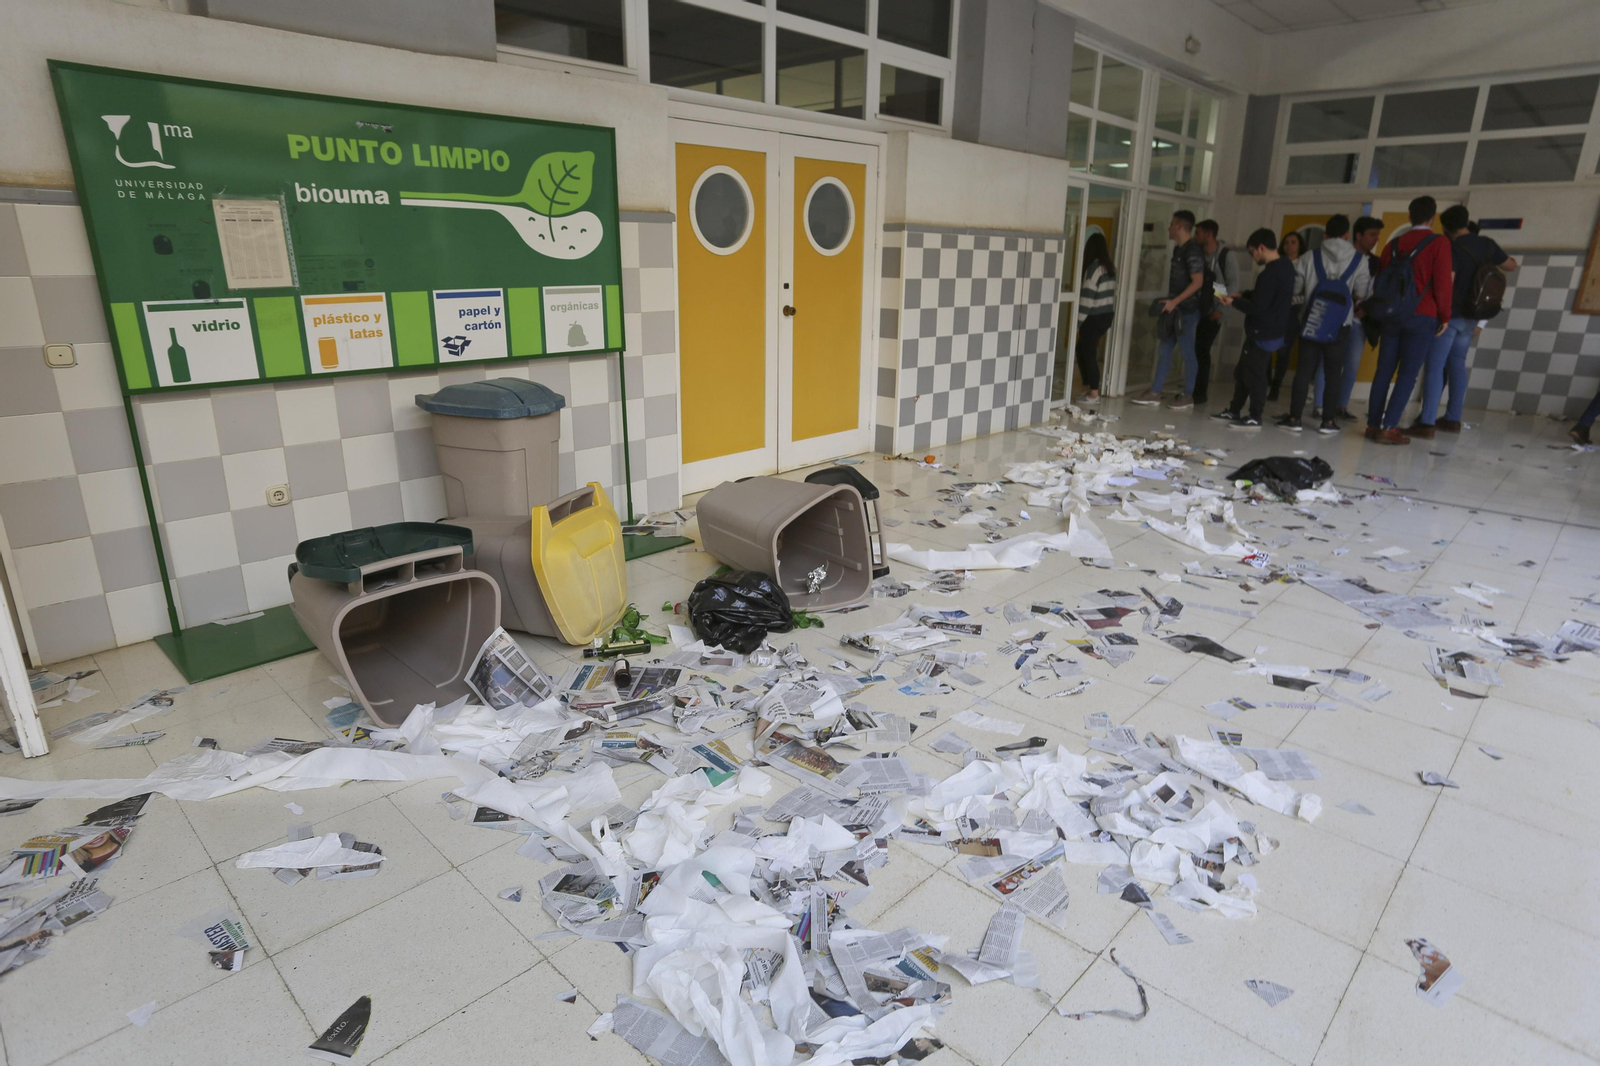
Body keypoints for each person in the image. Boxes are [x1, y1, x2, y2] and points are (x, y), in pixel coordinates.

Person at [1407, 204, 1517, 436]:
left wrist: (1439, 313)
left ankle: (1426, 423)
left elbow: (1448, 282)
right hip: (1473, 316)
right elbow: (1511, 265)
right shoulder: (1487, 243)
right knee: (1457, 363)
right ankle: (1453, 419)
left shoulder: (1452, 247)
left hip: (1451, 316)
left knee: (1435, 366)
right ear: (1466, 222)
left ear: (1445, 228)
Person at [1366, 195, 1453, 446]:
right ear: (1433, 218)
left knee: (1384, 370)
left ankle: (1373, 425)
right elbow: (1442, 284)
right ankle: (1389, 427)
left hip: (1391, 315)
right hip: (1422, 316)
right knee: (1407, 373)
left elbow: (1380, 281)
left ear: (1409, 216)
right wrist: (1444, 316)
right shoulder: (1439, 243)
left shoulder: (1392, 245)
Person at [1278, 214, 1370, 434]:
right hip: (1340, 324)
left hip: (1313, 319)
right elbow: (1361, 292)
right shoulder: (1359, 260)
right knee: (1333, 373)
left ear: (1325, 234)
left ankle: (1294, 418)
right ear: (1347, 234)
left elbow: (1296, 287)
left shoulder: (1309, 256)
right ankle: (1328, 422)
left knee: (1304, 371)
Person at [1211, 228, 1295, 429]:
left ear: (1262, 248)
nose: (1252, 256)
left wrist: (1233, 302)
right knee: (1243, 372)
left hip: (1262, 333)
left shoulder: (1268, 274)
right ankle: (1234, 410)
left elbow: (1257, 308)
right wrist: (1244, 294)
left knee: (1255, 376)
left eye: (1252, 252)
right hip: (1275, 330)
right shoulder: (1286, 266)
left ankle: (1255, 416)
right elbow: (1266, 295)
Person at [1132, 210, 1205, 409]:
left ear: (1179, 226)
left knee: (1188, 353)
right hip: (1174, 310)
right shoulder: (1179, 250)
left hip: (1187, 311)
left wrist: (1176, 301)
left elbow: (1198, 282)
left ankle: (1188, 395)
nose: (1169, 228)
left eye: (1171, 224)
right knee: (1165, 350)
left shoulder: (1192, 250)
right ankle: (1155, 391)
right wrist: (1171, 302)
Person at [1314, 215, 1383, 420]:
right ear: (1358, 235)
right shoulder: (1342, 256)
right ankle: (1319, 404)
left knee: (1352, 364)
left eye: (1377, 235)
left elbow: (1377, 291)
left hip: (1360, 319)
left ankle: (1341, 406)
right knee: (1326, 361)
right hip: (1335, 315)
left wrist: (1366, 307)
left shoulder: (1376, 263)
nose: (1375, 239)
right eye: (1371, 234)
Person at [1194, 220, 1240, 406]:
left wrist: (1220, 311)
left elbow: (1232, 285)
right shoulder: (1198, 253)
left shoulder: (1225, 256)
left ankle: (1199, 392)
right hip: (1196, 309)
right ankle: (1192, 388)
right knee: (1194, 349)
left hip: (1213, 311)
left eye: (1198, 233)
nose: (1195, 237)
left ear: (1208, 234)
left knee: (1202, 350)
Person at [1074, 232, 1116, 402]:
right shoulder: (1110, 268)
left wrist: (1077, 323)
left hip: (1093, 316)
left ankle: (1093, 393)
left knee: (1088, 353)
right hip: (1106, 315)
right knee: (1082, 349)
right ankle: (1087, 386)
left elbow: (1087, 298)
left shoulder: (1094, 269)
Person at [1267, 230, 1306, 401]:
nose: (1289, 246)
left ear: (1300, 245)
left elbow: (1306, 292)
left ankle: (1276, 385)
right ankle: (1267, 379)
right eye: (1286, 242)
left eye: (1293, 242)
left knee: (1284, 351)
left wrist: (1289, 300)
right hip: (1274, 310)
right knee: (1267, 347)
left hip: (1292, 312)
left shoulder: (1304, 265)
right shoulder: (1277, 263)